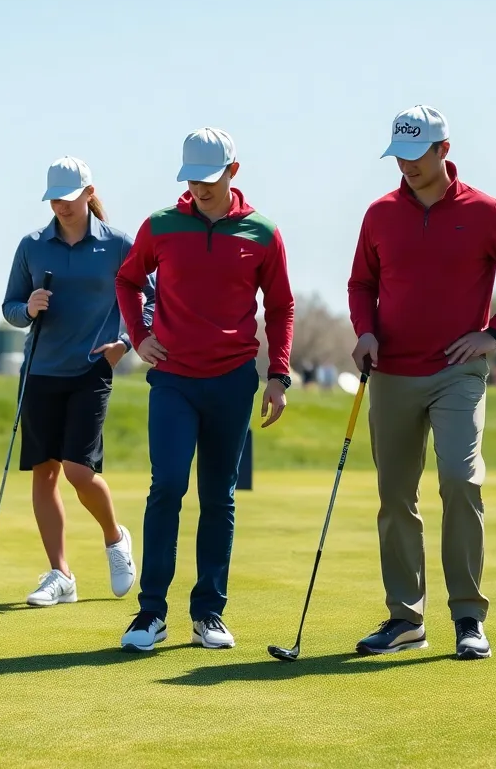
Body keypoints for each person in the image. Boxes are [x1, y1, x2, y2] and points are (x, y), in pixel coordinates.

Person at [347, 105, 496, 661]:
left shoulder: (484, 211)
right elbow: (361, 284)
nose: (406, 167)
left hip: (457, 371)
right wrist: (364, 332)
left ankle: (467, 617)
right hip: (391, 372)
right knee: (395, 496)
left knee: (461, 479)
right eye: (399, 157)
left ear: (443, 150)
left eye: (415, 155)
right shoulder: (380, 214)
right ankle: (405, 618)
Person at [115, 127, 295, 652]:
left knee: (219, 496)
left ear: (233, 172)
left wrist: (278, 375)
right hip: (172, 379)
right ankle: (150, 613)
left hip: (233, 382)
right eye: (193, 180)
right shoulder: (162, 226)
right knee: (167, 485)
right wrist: (139, 336)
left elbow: (281, 306)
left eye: (211, 180)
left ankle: (208, 614)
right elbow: (128, 280)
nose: (201, 189)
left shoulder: (262, 232)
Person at [1, 156, 155, 607]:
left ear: (89, 194)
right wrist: (27, 308)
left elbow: (149, 298)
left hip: (91, 370)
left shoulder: (120, 244)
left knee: (79, 471)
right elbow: (9, 307)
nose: (61, 207)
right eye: (54, 200)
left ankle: (114, 537)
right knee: (44, 473)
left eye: (69, 199)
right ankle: (60, 574)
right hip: (40, 371)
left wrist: (125, 343)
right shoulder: (32, 245)